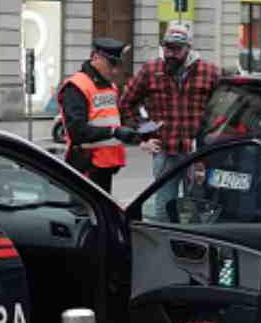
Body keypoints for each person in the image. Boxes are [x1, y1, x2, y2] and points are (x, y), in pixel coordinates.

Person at [120, 20, 220, 217]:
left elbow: (221, 110)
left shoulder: (209, 72)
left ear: (189, 48)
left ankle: (195, 246)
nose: (170, 53)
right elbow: (126, 104)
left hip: (197, 155)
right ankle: (165, 245)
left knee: (197, 209)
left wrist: (211, 140)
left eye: (176, 49)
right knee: (164, 208)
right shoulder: (151, 70)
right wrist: (145, 135)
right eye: (167, 47)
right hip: (165, 152)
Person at [58, 37, 143, 193]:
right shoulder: (76, 86)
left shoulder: (110, 85)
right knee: (85, 214)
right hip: (86, 165)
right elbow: (76, 131)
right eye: (111, 64)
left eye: (118, 65)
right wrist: (114, 132)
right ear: (96, 58)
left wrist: (137, 133)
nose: (115, 70)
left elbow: (113, 117)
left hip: (105, 165)